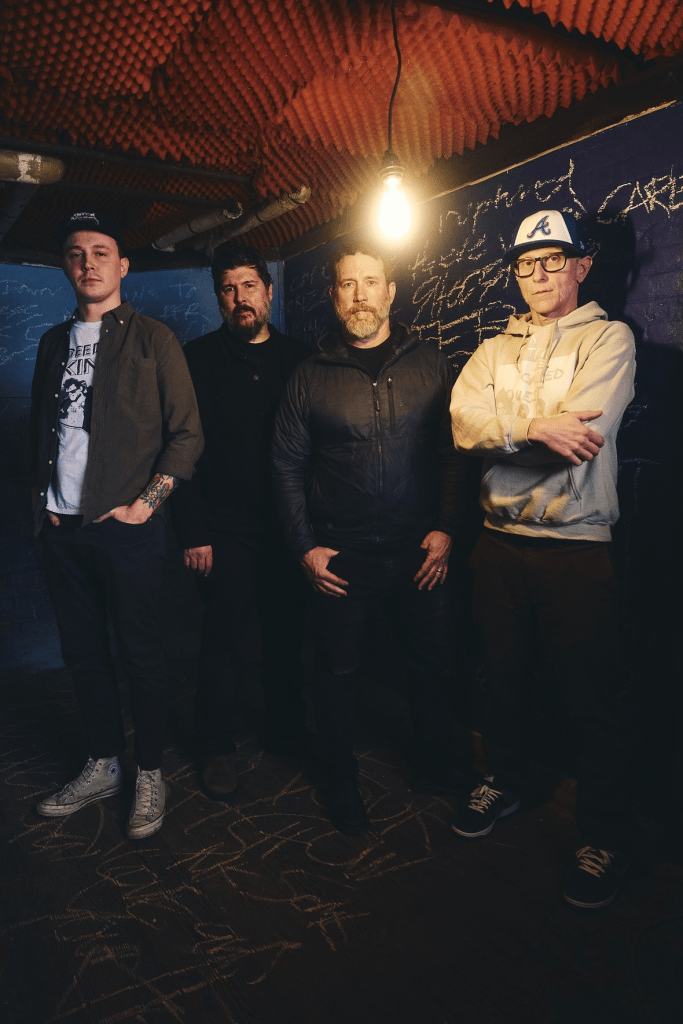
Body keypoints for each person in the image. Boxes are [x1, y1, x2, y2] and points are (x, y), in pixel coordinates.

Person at [449, 209, 636, 908]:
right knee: (502, 679)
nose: (537, 274)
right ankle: (503, 782)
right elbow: (462, 426)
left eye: (552, 259)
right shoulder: (492, 351)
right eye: (525, 263)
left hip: (576, 549)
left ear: (580, 265)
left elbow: (580, 439)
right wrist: (532, 426)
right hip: (498, 543)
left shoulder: (610, 338)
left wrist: (508, 437)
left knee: (590, 698)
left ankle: (604, 836)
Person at [271, 241, 471, 835]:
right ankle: (339, 783)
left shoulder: (431, 364)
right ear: (334, 298)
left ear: (390, 291)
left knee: (435, 665)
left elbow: (455, 455)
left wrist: (446, 528)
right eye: (347, 284)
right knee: (335, 675)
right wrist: (303, 546)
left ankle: (436, 768)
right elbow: (284, 466)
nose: (360, 295)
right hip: (342, 556)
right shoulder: (309, 376)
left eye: (370, 282)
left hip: (418, 552)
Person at [30, 210, 203, 839]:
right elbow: (42, 431)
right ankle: (103, 762)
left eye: (101, 252)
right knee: (83, 653)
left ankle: (149, 770)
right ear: (65, 266)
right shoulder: (53, 342)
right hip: (62, 529)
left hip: (127, 528)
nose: (88, 264)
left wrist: (144, 506)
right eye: (76, 254)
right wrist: (44, 504)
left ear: (122, 265)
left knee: (141, 655)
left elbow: (187, 435)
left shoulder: (154, 339)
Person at [171, 243, 310, 799]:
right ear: (218, 299)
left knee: (286, 634)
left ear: (268, 292)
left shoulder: (301, 358)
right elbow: (179, 449)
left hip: (288, 526)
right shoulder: (195, 359)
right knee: (223, 640)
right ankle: (215, 747)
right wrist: (193, 532)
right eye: (228, 289)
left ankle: (285, 730)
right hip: (224, 528)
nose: (240, 298)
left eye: (249, 285)